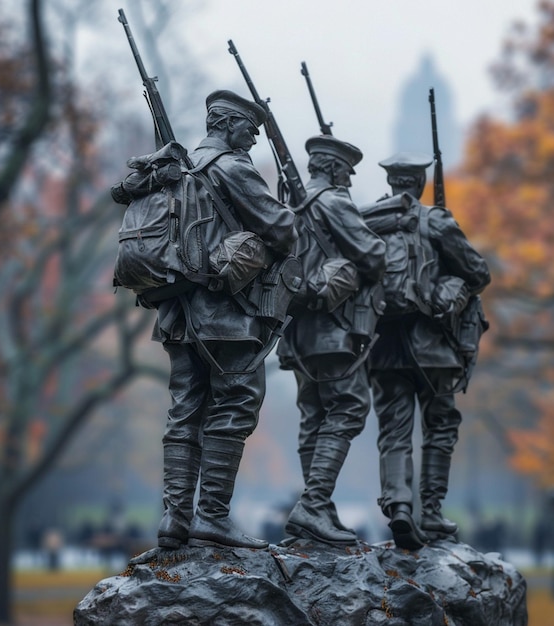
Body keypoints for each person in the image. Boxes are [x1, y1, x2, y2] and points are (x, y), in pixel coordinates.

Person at [152, 90, 297, 550]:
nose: (253, 140)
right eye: (249, 130)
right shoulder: (232, 167)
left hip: (176, 315)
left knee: (184, 410)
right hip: (226, 318)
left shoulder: (176, 166)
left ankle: (175, 520)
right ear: (227, 124)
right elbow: (283, 230)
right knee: (235, 406)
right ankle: (211, 516)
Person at [366, 152, 491, 550]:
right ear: (418, 184)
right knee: (440, 426)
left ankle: (400, 506)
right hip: (433, 346)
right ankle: (432, 513)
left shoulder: (368, 223)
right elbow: (478, 272)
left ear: (391, 184)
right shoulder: (435, 220)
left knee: (393, 431)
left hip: (383, 347)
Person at [278, 135, 386, 545]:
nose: (350, 178)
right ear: (334, 169)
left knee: (313, 414)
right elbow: (373, 256)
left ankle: (317, 509)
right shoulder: (335, 202)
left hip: (296, 333)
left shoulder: (288, 206)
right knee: (349, 407)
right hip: (334, 329)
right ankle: (314, 502)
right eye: (347, 170)